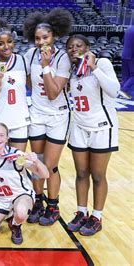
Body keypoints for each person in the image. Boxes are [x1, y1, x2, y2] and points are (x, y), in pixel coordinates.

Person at [65, 34, 120, 236]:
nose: (74, 49)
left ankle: (97, 217)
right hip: (79, 126)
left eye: (78, 45)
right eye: (70, 47)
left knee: (97, 175)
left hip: (102, 127)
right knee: (80, 173)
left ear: (87, 47)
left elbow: (114, 90)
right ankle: (81, 212)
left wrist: (94, 67)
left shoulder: (102, 63)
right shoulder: (71, 70)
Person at [23, 8, 73, 225]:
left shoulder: (63, 58)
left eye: (45, 37)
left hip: (57, 116)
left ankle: (53, 205)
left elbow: (53, 93)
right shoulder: (29, 55)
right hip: (36, 114)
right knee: (36, 162)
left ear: (54, 37)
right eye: (37, 38)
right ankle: (38, 201)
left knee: (50, 165)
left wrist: (45, 66)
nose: (41, 42)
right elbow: (28, 83)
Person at [0, 122, 49, 244]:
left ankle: (16, 224)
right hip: (0, 198)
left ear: (7, 138)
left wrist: (36, 161)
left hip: (20, 195)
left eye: (1, 135)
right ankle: (8, 214)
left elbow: (45, 174)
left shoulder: (16, 155)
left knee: (21, 211)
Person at [0, 17, 30, 152]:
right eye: (1, 43)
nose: (6, 46)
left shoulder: (23, 60)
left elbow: (33, 87)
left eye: (9, 42)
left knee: (17, 164)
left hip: (20, 122)